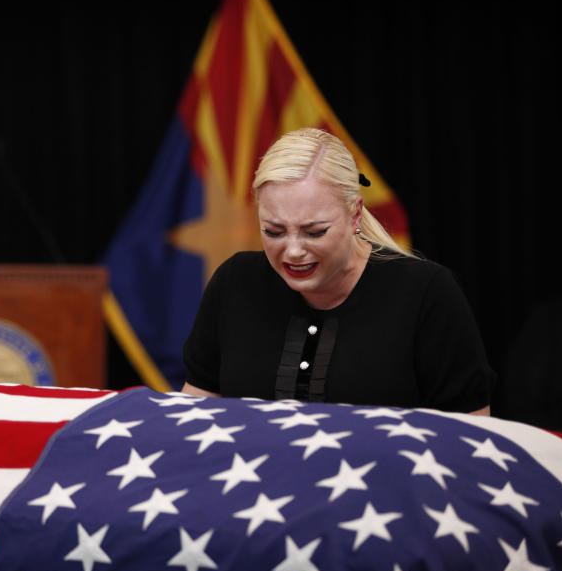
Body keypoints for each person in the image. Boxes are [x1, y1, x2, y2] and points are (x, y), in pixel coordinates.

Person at [181, 128, 493, 414]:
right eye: (274, 231)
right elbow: (195, 415)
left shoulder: (426, 293)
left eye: (314, 232)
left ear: (355, 214)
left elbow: (472, 434)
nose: (292, 251)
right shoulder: (235, 282)